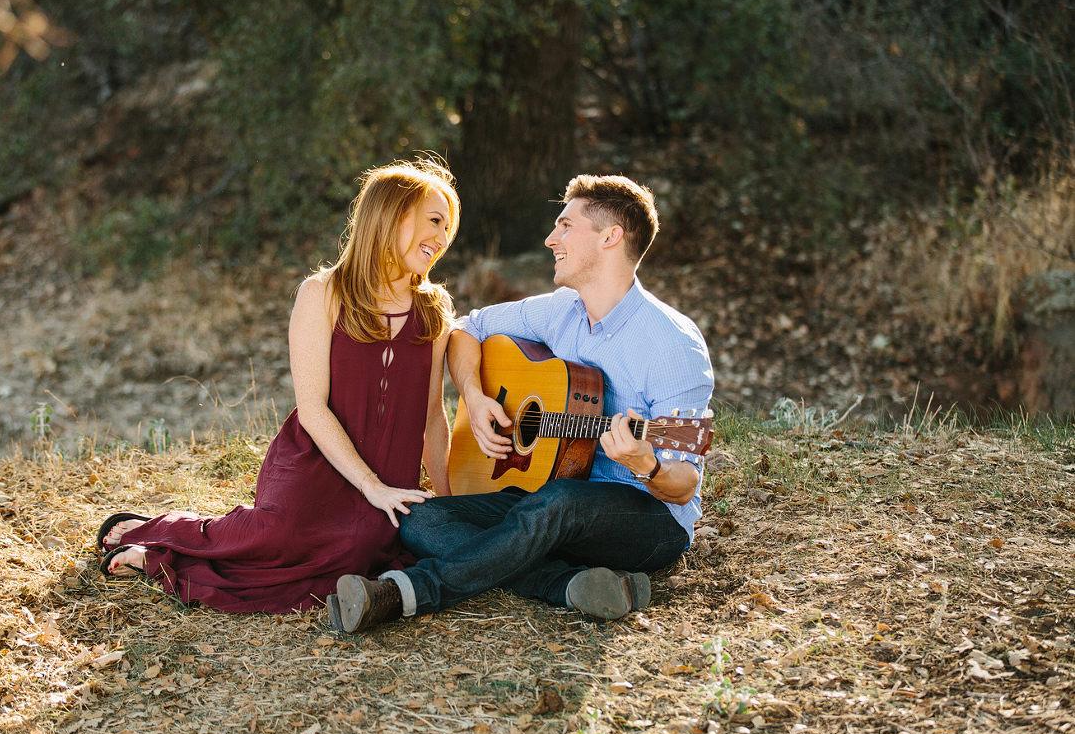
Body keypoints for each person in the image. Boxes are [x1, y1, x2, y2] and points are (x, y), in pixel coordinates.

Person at [329, 174, 714, 631]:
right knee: (419, 517)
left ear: (611, 237)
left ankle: (404, 592)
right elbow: (467, 330)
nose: (551, 239)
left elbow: (684, 484)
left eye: (565, 226)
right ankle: (569, 585)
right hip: (549, 500)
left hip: (645, 521)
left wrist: (646, 464)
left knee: (558, 501)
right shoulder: (560, 310)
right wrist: (474, 397)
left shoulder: (672, 345)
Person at [96, 159, 459, 613]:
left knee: (357, 551)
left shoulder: (433, 310)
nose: (443, 238)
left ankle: (163, 551)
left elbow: (431, 417)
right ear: (390, 216)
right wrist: (370, 487)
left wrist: (449, 506)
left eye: (448, 226)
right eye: (434, 221)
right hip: (314, 462)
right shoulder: (323, 293)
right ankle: (159, 536)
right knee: (280, 534)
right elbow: (312, 408)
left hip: (386, 478)